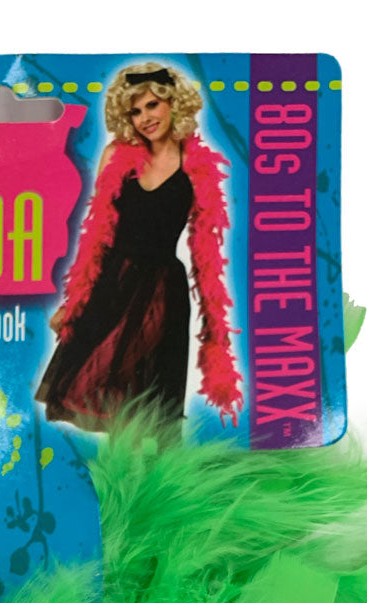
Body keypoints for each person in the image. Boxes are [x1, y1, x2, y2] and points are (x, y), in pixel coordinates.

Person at [36, 62, 242, 431]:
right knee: (104, 388)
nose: (145, 118)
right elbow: (97, 234)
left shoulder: (197, 168)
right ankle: (121, 467)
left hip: (163, 290)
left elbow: (206, 254)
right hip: (111, 284)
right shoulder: (116, 156)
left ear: (173, 103)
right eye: (135, 111)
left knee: (149, 401)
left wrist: (216, 332)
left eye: (152, 105)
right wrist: (74, 302)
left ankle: (153, 467)